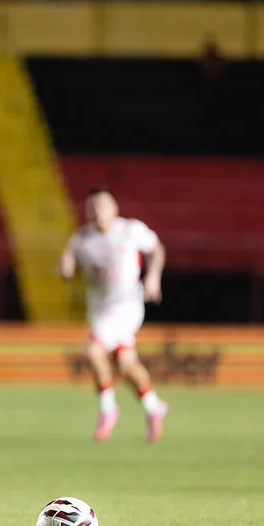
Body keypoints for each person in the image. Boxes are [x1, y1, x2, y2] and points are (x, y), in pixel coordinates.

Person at [59, 186, 168, 443]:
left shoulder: (130, 231)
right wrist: (65, 266)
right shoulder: (82, 239)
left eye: (101, 207)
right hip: (100, 310)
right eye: (91, 209)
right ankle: (154, 407)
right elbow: (67, 259)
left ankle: (109, 409)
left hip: (127, 306)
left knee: (93, 351)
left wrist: (153, 277)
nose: (96, 212)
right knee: (126, 365)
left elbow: (157, 249)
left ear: (114, 209)